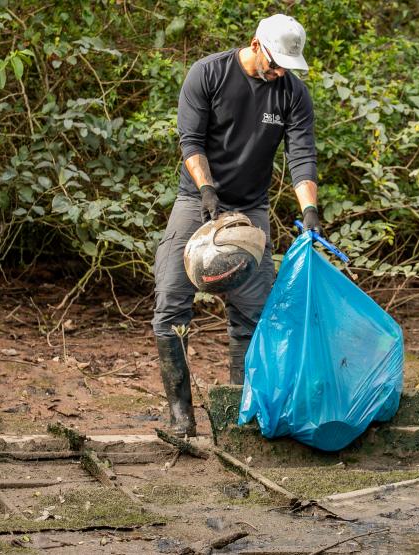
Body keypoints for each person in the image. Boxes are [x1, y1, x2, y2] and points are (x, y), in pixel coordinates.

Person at [151, 14, 322, 437]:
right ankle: (180, 416)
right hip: (198, 199)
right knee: (171, 305)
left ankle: (238, 419)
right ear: (256, 45)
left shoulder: (292, 95)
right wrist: (207, 189)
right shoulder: (208, 74)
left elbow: (301, 157)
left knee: (254, 313)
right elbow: (190, 140)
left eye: (287, 66)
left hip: (250, 209)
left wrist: (310, 213)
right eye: (276, 62)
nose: (280, 71)